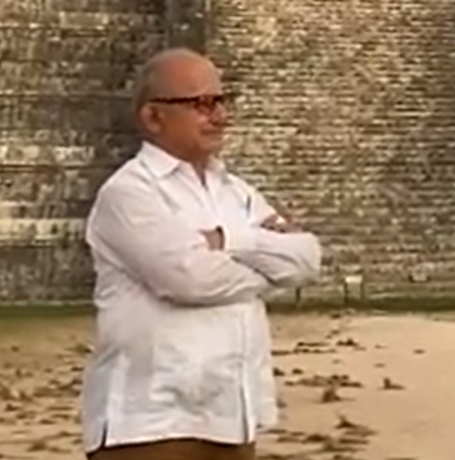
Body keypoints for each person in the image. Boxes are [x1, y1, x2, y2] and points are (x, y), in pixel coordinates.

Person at [79, 48, 323, 460]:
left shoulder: (236, 193)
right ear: (154, 117)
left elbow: (307, 259)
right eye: (201, 104)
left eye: (221, 100)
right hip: (152, 423)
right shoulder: (130, 193)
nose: (219, 115)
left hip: (231, 416)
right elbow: (190, 280)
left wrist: (228, 241)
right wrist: (267, 269)